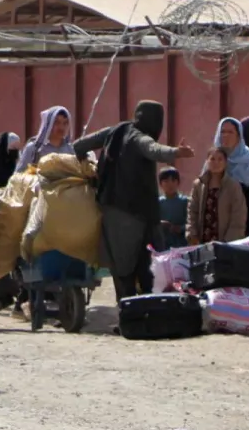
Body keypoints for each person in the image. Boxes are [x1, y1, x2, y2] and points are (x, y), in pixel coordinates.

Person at [72, 100, 194, 302]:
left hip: (111, 210)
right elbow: (153, 149)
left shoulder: (116, 131)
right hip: (137, 214)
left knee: (122, 269)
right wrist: (175, 152)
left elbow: (78, 146)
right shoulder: (139, 138)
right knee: (147, 266)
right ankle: (142, 314)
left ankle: (126, 314)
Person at [209, 113, 249, 236]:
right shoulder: (214, 159)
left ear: (239, 136)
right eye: (222, 132)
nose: (225, 136)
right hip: (217, 224)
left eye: (230, 132)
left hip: (248, 222)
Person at [184, 147, 246, 246]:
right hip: (201, 240)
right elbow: (192, 211)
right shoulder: (199, 185)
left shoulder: (233, 186)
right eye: (212, 159)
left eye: (220, 159)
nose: (216, 162)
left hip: (225, 242)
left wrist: (230, 241)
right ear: (207, 162)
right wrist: (192, 235)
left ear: (226, 163)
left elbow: (238, 215)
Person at [16, 106, 73, 172]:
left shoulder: (69, 149)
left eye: (65, 123)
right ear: (48, 124)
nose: (61, 127)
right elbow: (18, 175)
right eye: (57, 123)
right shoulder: (33, 149)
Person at [156, 168, 190, 250]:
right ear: (160, 184)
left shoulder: (185, 201)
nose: (170, 184)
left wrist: (180, 228)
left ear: (178, 183)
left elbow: (192, 224)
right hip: (162, 245)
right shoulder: (157, 203)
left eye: (173, 180)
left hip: (181, 245)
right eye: (166, 181)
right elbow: (152, 223)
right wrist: (160, 224)